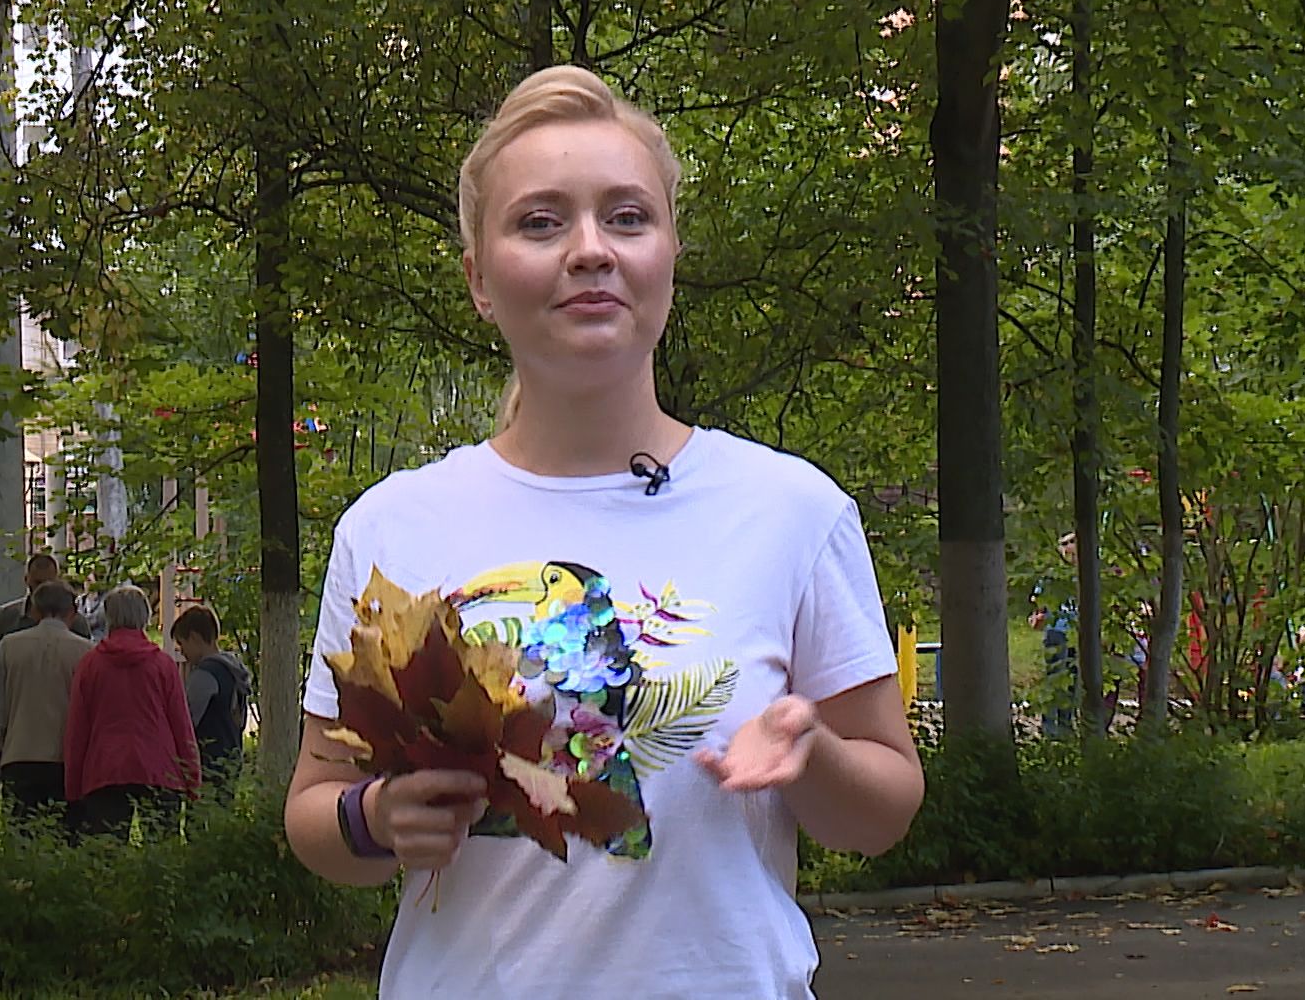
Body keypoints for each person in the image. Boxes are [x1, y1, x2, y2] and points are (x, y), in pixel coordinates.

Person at [283, 66, 922, 999]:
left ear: (669, 255)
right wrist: (374, 818)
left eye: (627, 217)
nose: (590, 250)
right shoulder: (390, 528)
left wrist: (811, 754)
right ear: (478, 279)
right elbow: (314, 808)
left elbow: (884, 810)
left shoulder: (792, 511)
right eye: (541, 222)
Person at [64, 585, 201, 836]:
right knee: (161, 851)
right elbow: (181, 726)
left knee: (107, 852)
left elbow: (77, 729)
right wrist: (193, 779)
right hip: (159, 768)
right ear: (145, 616)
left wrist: (73, 788)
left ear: (109, 616)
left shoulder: (90, 665)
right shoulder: (162, 664)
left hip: (105, 769)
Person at [0, 581, 93, 825]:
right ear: (72, 612)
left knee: (20, 834)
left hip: (19, 756)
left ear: (34, 610)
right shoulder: (85, 652)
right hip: (68, 761)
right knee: (66, 837)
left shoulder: (9, 647)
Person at [172, 605, 251, 787]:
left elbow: (187, 721)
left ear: (194, 638)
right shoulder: (233, 670)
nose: (182, 652)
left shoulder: (205, 674)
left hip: (208, 764)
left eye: (182, 644)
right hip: (231, 758)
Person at [1028, 532, 1079, 736]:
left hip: (1077, 633)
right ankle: (1049, 725)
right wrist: (1039, 616)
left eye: (1072, 543)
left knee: (1072, 681)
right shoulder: (1052, 576)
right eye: (1066, 544)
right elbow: (1039, 603)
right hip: (1057, 631)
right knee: (1055, 678)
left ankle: (1066, 725)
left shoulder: (1086, 574)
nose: (1069, 548)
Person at [0, 552, 64, 665]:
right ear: (27, 580)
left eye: (48, 583)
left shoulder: (74, 621)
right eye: (38, 583)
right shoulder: (5, 617)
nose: (42, 589)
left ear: (57, 582)